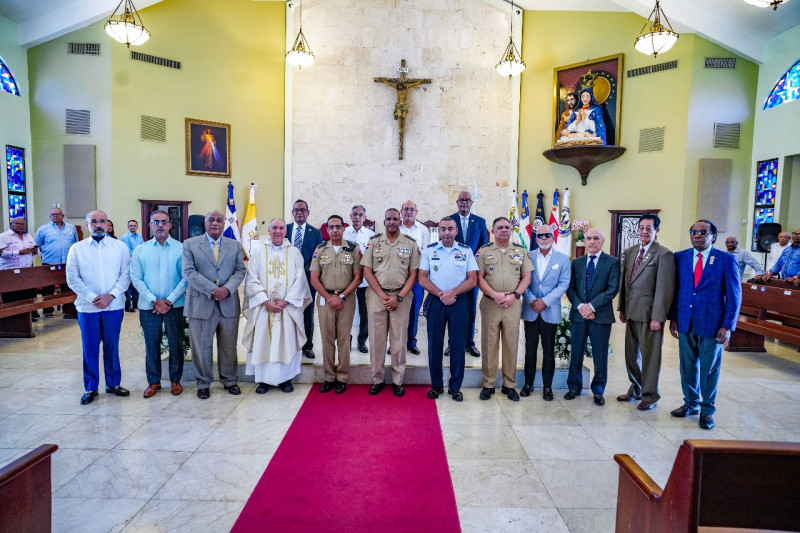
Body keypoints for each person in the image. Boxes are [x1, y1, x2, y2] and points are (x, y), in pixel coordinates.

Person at [669, 220, 741, 430]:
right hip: (685, 321)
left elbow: (735, 296)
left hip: (712, 324)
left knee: (709, 369)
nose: (697, 235)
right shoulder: (680, 257)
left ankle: (707, 410)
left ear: (713, 236)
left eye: (703, 232)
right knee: (687, 366)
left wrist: (727, 326)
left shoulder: (725, 260)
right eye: (694, 232)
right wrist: (674, 317)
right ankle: (690, 403)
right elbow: (676, 291)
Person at [66, 210, 131, 405]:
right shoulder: (77, 249)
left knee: (112, 346)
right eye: (93, 221)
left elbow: (126, 274)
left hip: (114, 306)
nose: (98, 225)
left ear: (108, 224)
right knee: (90, 348)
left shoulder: (120, 247)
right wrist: (94, 298)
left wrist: (110, 296)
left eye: (102, 221)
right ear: (87, 225)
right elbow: (72, 278)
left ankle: (113, 383)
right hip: (87, 308)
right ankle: (91, 387)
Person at [242, 218, 311, 394]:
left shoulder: (294, 252)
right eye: (274, 228)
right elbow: (252, 279)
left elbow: (300, 280)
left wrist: (286, 301)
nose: (278, 231)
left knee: (286, 341)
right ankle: (264, 380)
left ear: (286, 231)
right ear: (269, 230)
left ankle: (285, 379)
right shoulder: (258, 252)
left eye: (281, 228)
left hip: (287, 309)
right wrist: (266, 302)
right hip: (264, 307)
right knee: (263, 340)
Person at [182, 210, 246, 399]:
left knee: (228, 345)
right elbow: (189, 272)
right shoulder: (190, 244)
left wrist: (226, 289)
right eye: (211, 220)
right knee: (201, 346)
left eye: (219, 220)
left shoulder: (234, 245)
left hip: (228, 303)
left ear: (224, 223)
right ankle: (203, 382)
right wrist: (212, 289)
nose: (216, 223)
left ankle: (230, 380)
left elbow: (240, 270)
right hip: (201, 303)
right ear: (205, 223)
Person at [617, 214, 675, 411]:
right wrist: (622, 308)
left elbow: (664, 289)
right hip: (632, 312)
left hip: (650, 316)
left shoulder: (663, 254)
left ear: (656, 230)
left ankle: (650, 396)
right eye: (641, 227)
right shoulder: (631, 251)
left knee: (650, 357)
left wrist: (658, 317)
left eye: (648, 228)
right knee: (631, 355)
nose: (644, 231)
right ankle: (636, 388)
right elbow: (625, 282)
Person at [361, 208, 420, 397]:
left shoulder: (410, 244)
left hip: (401, 297)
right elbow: (367, 272)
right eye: (389, 219)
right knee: (377, 341)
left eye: (396, 219)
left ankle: (397, 380)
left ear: (400, 221)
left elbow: (414, 274)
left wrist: (399, 297)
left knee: (399, 341)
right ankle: (377, 379)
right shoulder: (373, 242)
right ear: (384, 221)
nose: (392, 222)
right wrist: (382, 295)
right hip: (376, 297)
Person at [418, 216, 478, 402]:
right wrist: (442, 294)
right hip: (436, 302)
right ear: (439, 231)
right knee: (434, 344)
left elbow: (472, 279)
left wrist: (452, 293)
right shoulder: (429, 251)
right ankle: (436, 385)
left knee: (458, 345)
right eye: (443, 229)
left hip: (459, 302)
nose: (446, 232)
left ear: (456, 231)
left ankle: (455, 387)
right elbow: (422, 278)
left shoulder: (465, 251)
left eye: (450, 229)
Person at [130, 210, 188, 398]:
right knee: (151, 344)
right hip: (149, 307)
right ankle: (153, 382)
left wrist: (169, 300)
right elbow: (136, 278)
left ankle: (175, 380)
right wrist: (155, 300)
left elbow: (186, 278)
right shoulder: (141, 249)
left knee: (176, 343)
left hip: (175, 305)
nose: (160, 225)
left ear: (170, 225)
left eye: (164, 222)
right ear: (150, 225)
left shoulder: (181, 248)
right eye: (156, 222)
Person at [475, 217, 533, 401]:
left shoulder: (521, 251)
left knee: (511, 344)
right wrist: (495, 294)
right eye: (499, 228)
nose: (504, 230)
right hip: (490, 303)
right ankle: (489, 384)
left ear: (511, 230)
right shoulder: (483, 252)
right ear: (493, 231)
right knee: (489, 344)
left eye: (507, 227)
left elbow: (526, 277)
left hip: (512, 305)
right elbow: (479, 277)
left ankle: (509, 385)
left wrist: (514, 295)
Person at [564, 227, 620, 406]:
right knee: (576, 352)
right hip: (579, 314)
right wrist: (581, 306)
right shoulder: (577, 263)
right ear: (584, 241)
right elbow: (570, 287)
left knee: (600, 355)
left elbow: (612, 290)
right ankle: (574, 386)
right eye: (589, 238)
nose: (592, 241)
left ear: (603, 241)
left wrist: (592, 306)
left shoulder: (612, 262)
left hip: (600, 315)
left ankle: (598, 389)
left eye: (596, 238)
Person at [310, 215, 363, 394]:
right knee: (327, 339)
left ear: (343, 229)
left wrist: (341, 297)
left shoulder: (353, 249)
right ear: (327, 229)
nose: (334, 230)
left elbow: (358, 277)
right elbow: (314, 279)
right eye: (331, 227)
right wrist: (330, 297)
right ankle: (329, 377)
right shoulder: (320, 249)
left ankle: (341, 377)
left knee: (343, 339)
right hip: (325, 299)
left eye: (338, 227)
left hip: (346, 300)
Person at [521, 225, 571, 400]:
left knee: (549, 352)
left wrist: (545, 301)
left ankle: (547, 387)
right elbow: (523, 280)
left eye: (547, 235)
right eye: (540, 235)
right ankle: (528, 384)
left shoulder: (563, 259)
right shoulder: (528, 256)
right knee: (530, 349)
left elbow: (563, 284)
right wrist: (533, 300)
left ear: (553, 237)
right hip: (531, 309)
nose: (543, 238)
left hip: (550, 311)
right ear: (536, 238)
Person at [450, 190, 489, 357]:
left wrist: (474, 267)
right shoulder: (450, 221)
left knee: (471, 309)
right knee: (453, 309)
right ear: (457, 202)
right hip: (453, 273)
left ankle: (469, 343)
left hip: (473, 273)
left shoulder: (479, 222)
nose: (464, 203)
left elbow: (483, 247)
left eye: (467, 200)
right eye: (461, 200)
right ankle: (453, 343)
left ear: (471, 203)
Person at [286, 199, 323, 359]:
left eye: (302, 210)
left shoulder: (315, 233)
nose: (299, 212)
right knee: (288, 312)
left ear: (307, 212)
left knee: (307, 312)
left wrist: (302, 271)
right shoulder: (284, 229)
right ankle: (289, 343)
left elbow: (318, 257)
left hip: (308, 279)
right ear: (292, 212)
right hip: (287, 279)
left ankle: (308, 346)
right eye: (296, 210)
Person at [34, 207, 79, 318]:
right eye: (53, 215)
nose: (55, 216)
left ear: (62, 216)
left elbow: (75, 244)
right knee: (48, 288)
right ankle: (48, 310)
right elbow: (36, 245)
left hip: (67, 263)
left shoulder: (71, 228)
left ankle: (68, 309)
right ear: (50, 217)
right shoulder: (43, 229)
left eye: (58, 214)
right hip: (49, 263)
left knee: (68, 286)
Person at [399, 200, 430, 355]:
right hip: (398, 276)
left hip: (417, 275)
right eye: (406, 209)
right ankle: (396, 343)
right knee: (397, 310)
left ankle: (411, 341)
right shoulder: (396, 227)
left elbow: (427, 251)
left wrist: (411, 253)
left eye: (412, 209)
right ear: (401, 211)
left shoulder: (423, 230)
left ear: (416, 212)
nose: (409, 212)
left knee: (414, 309)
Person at [343, 205, 374, 353]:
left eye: (360, 215)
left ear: (364, 217)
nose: (357, 217)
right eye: (354, 214)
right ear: (350, 216)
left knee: (365, 311)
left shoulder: (371, 235)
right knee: (346, 311)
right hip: (347, 279)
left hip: (365, 280)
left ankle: (362, 341)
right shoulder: (343, 233)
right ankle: (346, 340)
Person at [0, 218, 41, 320]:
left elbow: (38, 252)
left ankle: (30, 315)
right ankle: (13, 317)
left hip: (26, 271)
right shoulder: (4, 236)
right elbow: (1, 253)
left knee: (28, 293)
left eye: (23, 224)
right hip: (10, 272)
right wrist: (19, 252)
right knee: (13, 295)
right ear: (11, 224)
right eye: (18, 223)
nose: (21, 226)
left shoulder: (28, 236)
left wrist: (35, 252)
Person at [120, 219, 144, 312]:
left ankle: (136, 303)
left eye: (134, 225)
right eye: (131, 225)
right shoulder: (125, 237)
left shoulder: (140, 237)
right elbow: (127, 252)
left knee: (136, 284)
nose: (133, 227)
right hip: (129, 264)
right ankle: (127, 306)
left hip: (138, 264)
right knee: (128, 286)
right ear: (128, 227)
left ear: (137, 227)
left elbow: (142, 249)